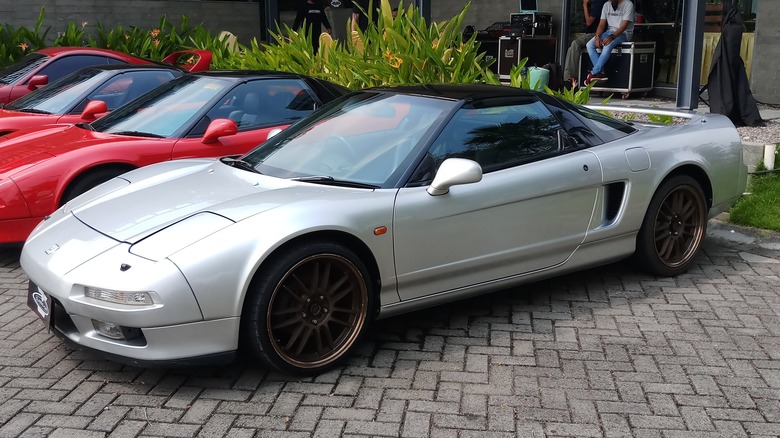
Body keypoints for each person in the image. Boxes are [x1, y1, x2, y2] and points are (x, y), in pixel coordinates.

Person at [584, 0, 635, 85]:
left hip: (624, 33)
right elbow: (601, 24)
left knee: (607, 45)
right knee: (589, 45)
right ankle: (601, 72)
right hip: (609, 31)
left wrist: (612, 37)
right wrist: (597, 36)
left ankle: (593, 73)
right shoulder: (606, 5)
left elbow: (623, 26)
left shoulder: (628, 4)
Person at [563, 0, 608, 86]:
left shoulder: (599, 3)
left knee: (575, 43)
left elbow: (589, 22)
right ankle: (569, 77)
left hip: (598, 33)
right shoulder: (594, 3)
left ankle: (571, 77)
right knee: (572, 48)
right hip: (592, 33)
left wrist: (584, 4)